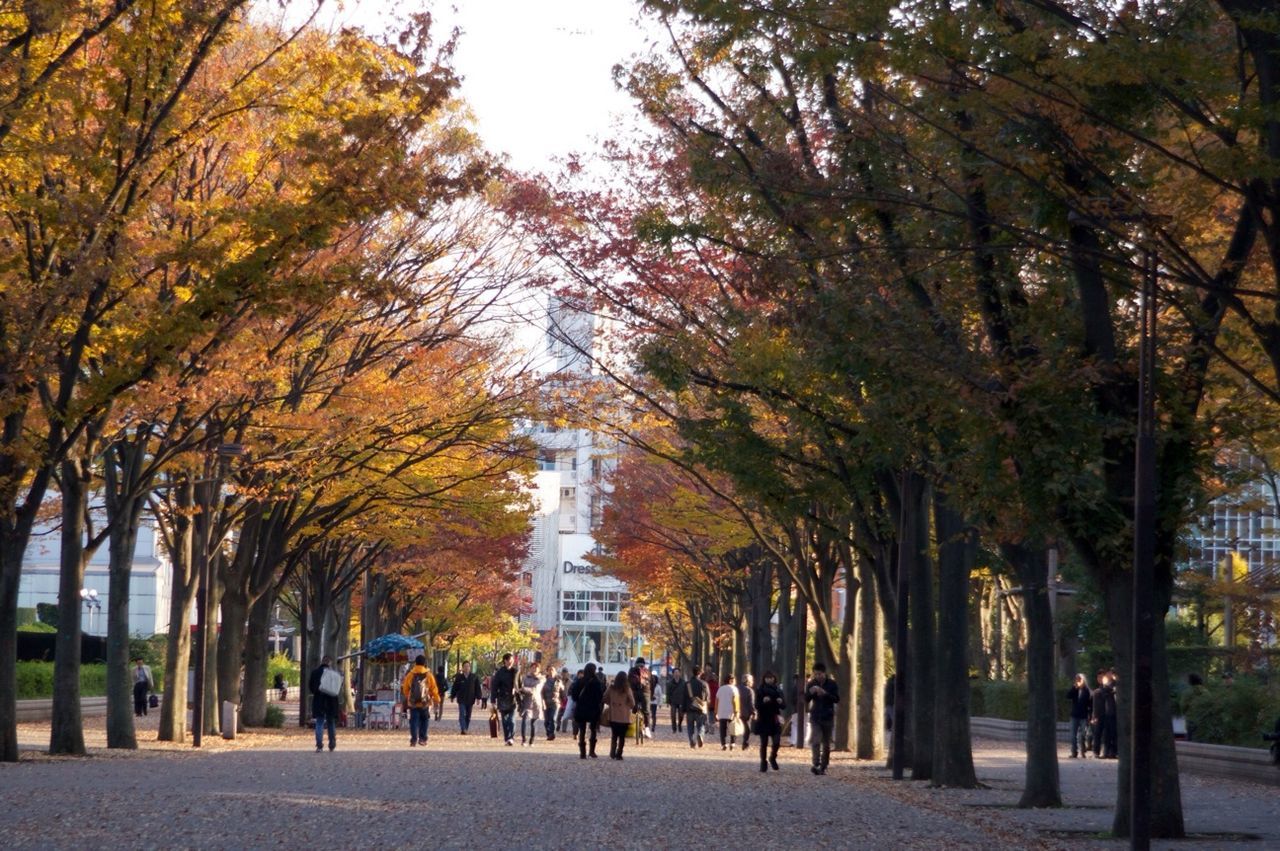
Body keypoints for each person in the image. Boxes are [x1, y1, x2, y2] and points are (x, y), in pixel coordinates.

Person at [805, 663, 839, 775]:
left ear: (824, 673)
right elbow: (805, 699)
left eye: (819, 674)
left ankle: (824, 766)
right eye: (816, 674)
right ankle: (816, 763)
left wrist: (825, 693)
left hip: (827, 716)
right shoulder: (811, 683)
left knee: (826, 744)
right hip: (815, 716)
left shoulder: (832, 684)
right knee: (816, 739)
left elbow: (836, 699)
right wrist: (810, 693)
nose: (818, 676)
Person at [401, 654, 440, 747]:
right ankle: (422, 739)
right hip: (425, 702)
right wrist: (436, 699)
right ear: (424, 663)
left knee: (413, 721)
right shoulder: (428, 675)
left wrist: (409, 696)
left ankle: (413, 740)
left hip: (413, 703)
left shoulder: (410, 675)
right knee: (424, 720)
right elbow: (433, 688)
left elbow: (405, 688)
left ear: (415, 663)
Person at [570, 662, 606, 758]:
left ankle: (582, 752)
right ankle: (592, 751)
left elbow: (574, 695)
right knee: (593, 730)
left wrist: (580, 701)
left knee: (582, 730)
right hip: (593, 709)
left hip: (581, 708)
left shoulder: (580, 681)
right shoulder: (597, 682)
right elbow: (600, 697)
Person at [754, 670, 786, 772]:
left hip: (775, 718)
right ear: (764, 679)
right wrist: (763, 702)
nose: (769, 680)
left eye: (771, 678)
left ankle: (773, 757)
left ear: (774, 679)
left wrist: (780, 702)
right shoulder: (760, 690)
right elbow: (757, 705)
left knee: (776, 741)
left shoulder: (778, 690)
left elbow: (784, 706)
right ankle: (763, 762)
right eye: (767, 678)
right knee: (764, 742)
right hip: (763, 718)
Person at [309, 655, 340, 752]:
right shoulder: (334, 674)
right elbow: (337, 687)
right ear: (330, 663)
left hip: (319, 700)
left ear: (322, 661)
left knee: (319, 722)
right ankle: (332, 744)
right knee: (331, 723)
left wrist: (317, 692)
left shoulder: (315, 673)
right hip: (331, 701)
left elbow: (311, 686)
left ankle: (319, 745)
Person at [604, 670, 637, 760]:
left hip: (613, 714)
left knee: (614, 735)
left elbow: (605, 698)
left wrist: (611, 703)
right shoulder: (627, 689)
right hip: (624, 716)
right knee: (622, 736)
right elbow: (632, 702)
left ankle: (612, 751)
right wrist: (627, 707)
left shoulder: (611, 688)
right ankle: (619, 753)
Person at [491, 653, 519, 746]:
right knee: (505, 720)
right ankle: (507, 738)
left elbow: (520, 684)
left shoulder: (516, 671)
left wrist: (520, 696)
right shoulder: (500, 673)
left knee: (511, 720)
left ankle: (511, 737)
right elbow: (494, 686)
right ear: (505, 661)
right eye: (508, 660)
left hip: (513, 699)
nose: (510, 662)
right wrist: (493, 700)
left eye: (512, 660)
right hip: (502, 698)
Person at [519, 661, 546, 746]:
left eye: (536, 667)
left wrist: (523, 689)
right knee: (524, 720)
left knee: (533, 722)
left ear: (539, 669)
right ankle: (523, 740)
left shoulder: (541, 679)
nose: (534, 669)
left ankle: (532, 740)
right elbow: (520, 685)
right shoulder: (525, 677)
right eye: (533, 667)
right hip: (526, 702)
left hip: (536, 702)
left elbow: (535, 689)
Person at [451, 660, 482, 734]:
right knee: (462, 714)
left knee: (468, 715)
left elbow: (477, 688)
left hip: (470, 699)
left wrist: (478, 698)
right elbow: (455, 687)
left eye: (468, 666)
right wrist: (452, 696)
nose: (467, 668)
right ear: (463, 668)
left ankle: (466, 727)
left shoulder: (474, 677)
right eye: (465, 666)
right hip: (461, 699)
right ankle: (463, 728)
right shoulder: (459, 677)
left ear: (470, 668)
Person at [1066, 673, 1092, 758]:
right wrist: (1074, 688)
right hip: (1074, 715)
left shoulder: (1087, 691)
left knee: (1083, 735)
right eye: (1077, 680)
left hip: (1083, 715)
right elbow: (1068, 696)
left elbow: (1090, 704)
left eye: (1079, 680)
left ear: (1083, 680)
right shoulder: (1075, 690)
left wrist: (1090, 715)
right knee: (1073, 735)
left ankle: (1083, 751)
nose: (1078, 681)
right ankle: (1074, 752)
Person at [684, 666, 710, 748]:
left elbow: (684, 697)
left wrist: (683, 709)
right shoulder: (704, 684)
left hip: (689, 708)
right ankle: (700, 735)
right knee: (701, 725)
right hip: (700, 708)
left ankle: (692, 740)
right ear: (700, 673)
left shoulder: (687, 684)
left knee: (690, 726)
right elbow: (707, 697)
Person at [629, 657, 653, 740]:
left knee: (634, 710)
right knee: (646, 711)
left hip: (634, 692)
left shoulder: (632, 670)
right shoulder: (647, 671)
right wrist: (652, 695)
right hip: (645, 692)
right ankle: (647, 728)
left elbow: (629, 682)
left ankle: (634, 726)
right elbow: (652, 683)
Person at [715, 673, 741, 751]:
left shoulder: (720, 689)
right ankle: (732, 743)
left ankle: (723, 744)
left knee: (722, 729)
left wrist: (716, 712)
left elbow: (717, 701)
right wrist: (737, 711)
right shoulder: (734, 689)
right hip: (731, 712)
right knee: (733, 728)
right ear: (731, 680)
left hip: (721, 712)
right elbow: (735, 701)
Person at [541, 666, 564, 741]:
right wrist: (542, 701)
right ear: (547, 671)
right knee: (546, 721)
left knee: (553, 718)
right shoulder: (544, 681)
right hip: (545, 702)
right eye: (549, 670)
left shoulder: (558, 681)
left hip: (555, 702)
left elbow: (562, 692)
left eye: (553, 670)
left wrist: (563, 700)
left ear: (555, 671)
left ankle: (552, 734)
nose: (551, 671)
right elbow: (541, 692)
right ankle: (548, 733)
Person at [738, 674, 756, 751]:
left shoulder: (736, 688)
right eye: (751, 681)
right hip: (746, 713)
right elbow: (751, 703)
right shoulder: (750, 691)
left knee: (736, 727)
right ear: (749, 682)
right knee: (747, 729)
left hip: (737, 712)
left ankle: (732, 742)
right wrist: (754, 712)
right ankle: (745, 743)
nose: (752, 682)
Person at [667, 667, 685, 732]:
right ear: (673, 674)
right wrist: (668, 701)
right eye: (675, 673)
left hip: (681, 701)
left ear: (680, 674)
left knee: (681, 715)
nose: (676, 674)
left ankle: (679, 724)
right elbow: (668, 693)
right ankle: (674, 728)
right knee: (673, 715)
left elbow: (685, 692)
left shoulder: (683, 682)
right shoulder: (670, 683)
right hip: (673, 701)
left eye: (678, 672)